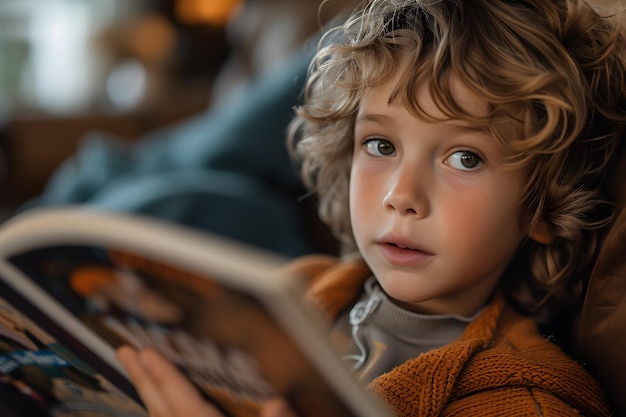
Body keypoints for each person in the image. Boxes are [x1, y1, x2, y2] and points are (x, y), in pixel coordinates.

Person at [116, 0, 626, 415]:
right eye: (381, 146)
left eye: (464, 158)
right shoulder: (289, 299)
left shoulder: (523, 401)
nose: (401, 195)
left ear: (541, 206)